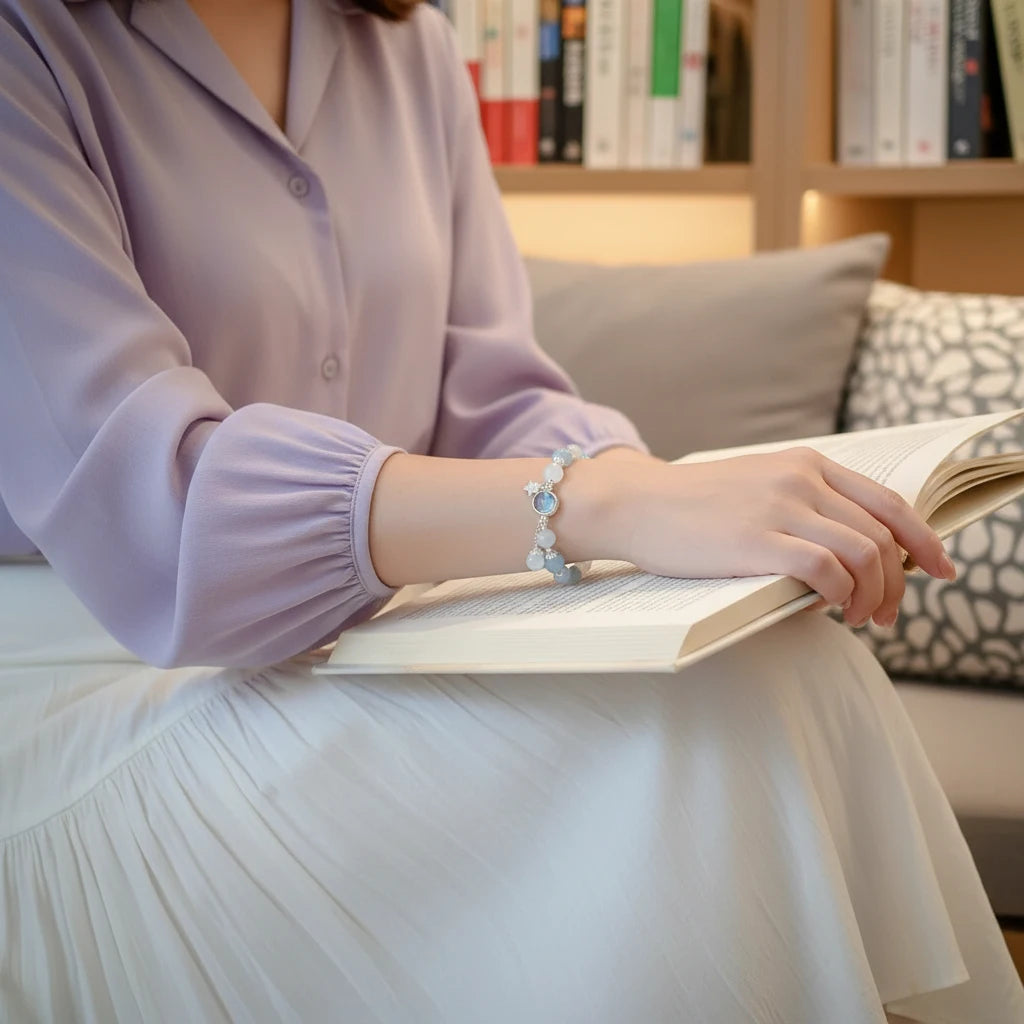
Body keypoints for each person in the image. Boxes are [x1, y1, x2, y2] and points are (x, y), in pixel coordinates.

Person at [0, 0, 1021, 1020]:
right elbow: (156, 501)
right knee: (696, 730)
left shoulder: (411, 48)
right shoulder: (26, 44)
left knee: (774, 658)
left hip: (362, 641)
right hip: (94, 690)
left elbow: (494, 390)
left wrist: (669, 511)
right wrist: (606, 501)